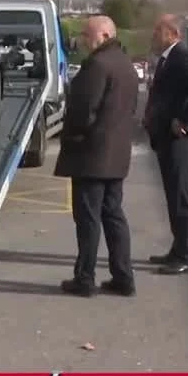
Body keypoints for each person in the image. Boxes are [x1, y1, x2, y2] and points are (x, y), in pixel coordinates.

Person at [54, 15, 140, 297]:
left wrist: (73, 136)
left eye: (87, 34)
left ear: (104, 35)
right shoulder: (125, 64)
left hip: (91, 156)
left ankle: (85, 278)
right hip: (116, 155)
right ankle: (123, 276)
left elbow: (83, 110)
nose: (83, 39)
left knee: (88, 219)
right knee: (113, 215)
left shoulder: (97, 65)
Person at [144, 14, 188, 275]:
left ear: (172, 33)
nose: (153, 35)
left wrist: (183, 119)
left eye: (157, 30)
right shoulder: (168, 59)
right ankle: (177, 248)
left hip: (180, 139)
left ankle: (187, 254)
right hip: (165, 138)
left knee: (183, 196)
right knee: (173, 196)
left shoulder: (181, 56)